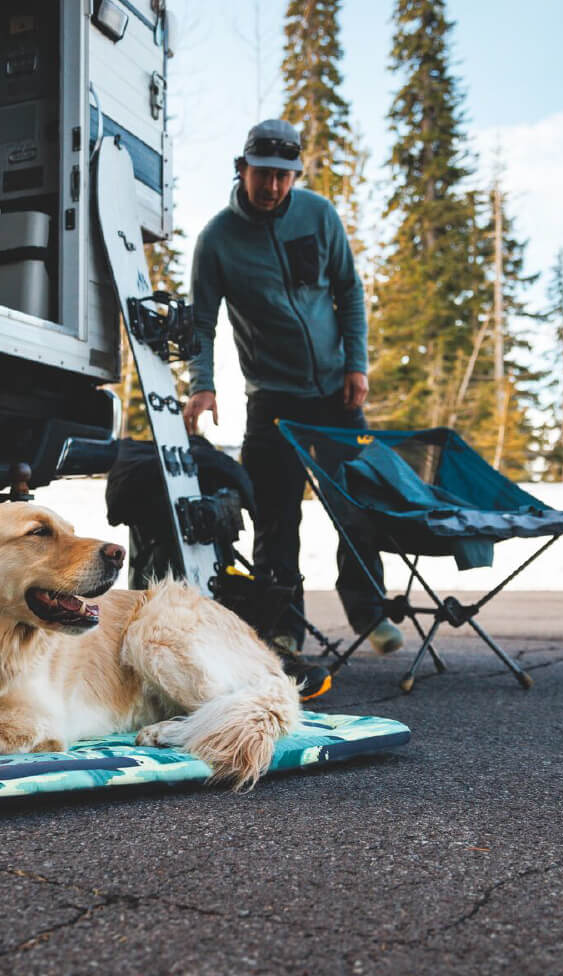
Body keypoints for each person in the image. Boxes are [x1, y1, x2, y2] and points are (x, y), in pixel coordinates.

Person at [183, 119, 404, 685]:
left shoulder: (318, 216)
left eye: (285, 176)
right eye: (264, 174)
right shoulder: (218, 240)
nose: (274, 187)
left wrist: (357, 362)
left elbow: (348, 289)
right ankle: (283, 627)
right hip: (273, 401)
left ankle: (369, 609)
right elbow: (200, 322)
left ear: (295, 175)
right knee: (275, 514)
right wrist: (202, 383)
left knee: (356, 503)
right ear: (243, 168)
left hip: (334, 392)